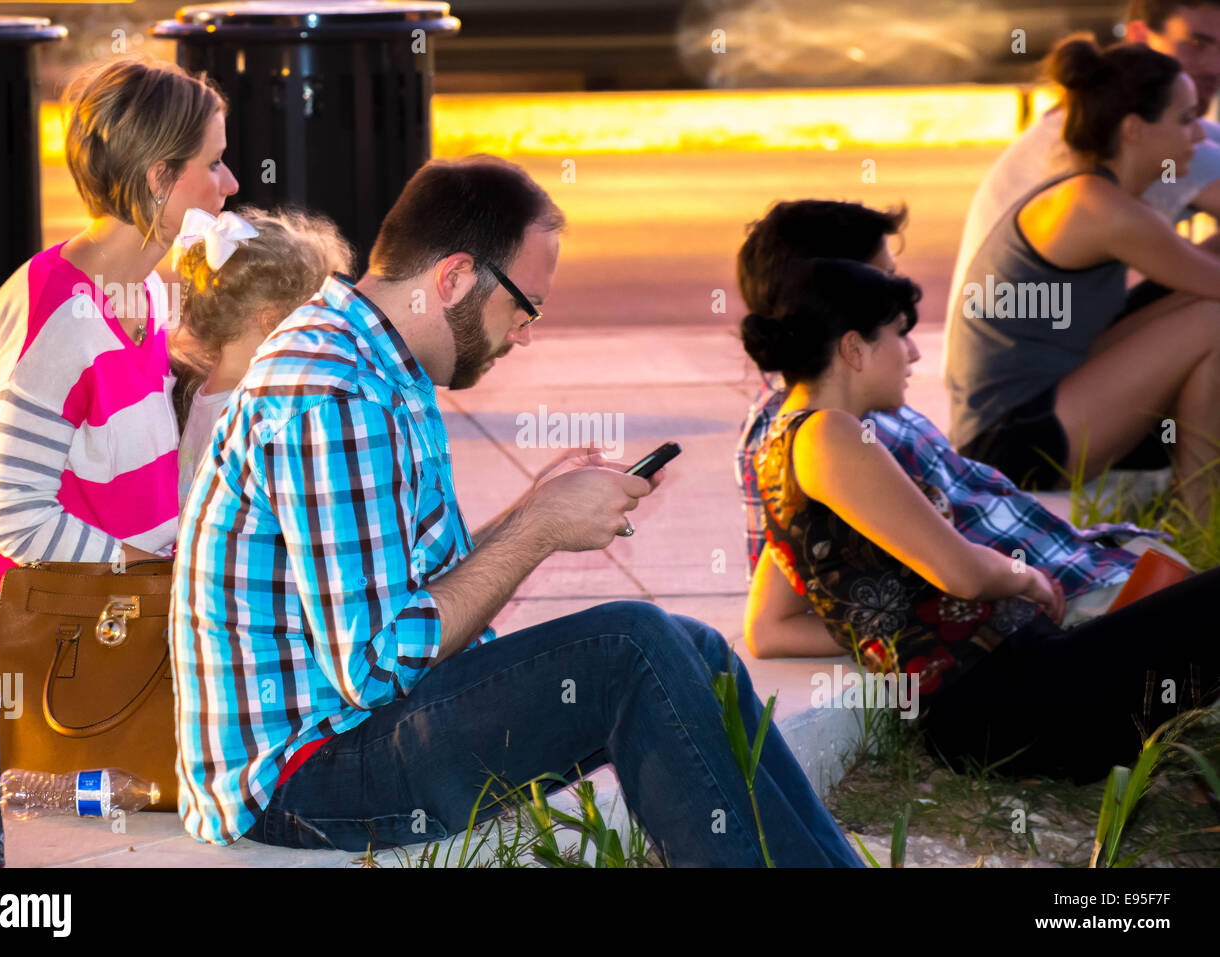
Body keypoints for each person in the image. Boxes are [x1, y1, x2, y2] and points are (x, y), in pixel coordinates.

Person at [170, 155, 862, 867]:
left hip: (352, 728)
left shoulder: (375, 358)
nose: (525, 332)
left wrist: (531, 505)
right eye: (524, 306)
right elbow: (374, 663)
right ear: (455, 278)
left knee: (698, 649)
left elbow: (409, 590)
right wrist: (538, 530)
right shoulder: (333, 392)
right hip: (300, 776)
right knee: (630, 644)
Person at [741, 256, 1220, 783]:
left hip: (1005, 695)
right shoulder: (829, 434)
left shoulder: (786, 447)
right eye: (900, 334)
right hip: (1011, 698)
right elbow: (962, 572)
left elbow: (774, 627)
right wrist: (1027, 577)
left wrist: (890, 631)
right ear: (854, 349)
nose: (915, 352)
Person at [735, 200, 1168, 637]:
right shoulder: (819, 431)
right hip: (1065, 606)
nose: (914, 348)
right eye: (884, 282)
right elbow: (782, 618)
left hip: (1081, 570)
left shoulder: (853, 408)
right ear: (834, 296)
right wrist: (1001, 602)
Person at [0, 55, 239, 671]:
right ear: (159, 178)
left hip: (117, 601)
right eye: (212, 163)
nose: (231, 182)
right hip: (54, 629)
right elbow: (15, 515)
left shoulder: (145, 288)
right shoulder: (60, 323)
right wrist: (155, 575)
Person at [947, 36, 1220, 515]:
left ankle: (1195, 505)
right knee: (1213, 320)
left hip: (1057, 394)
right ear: (1134, 129)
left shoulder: (1103, 194)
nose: (1199, 136)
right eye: (1184, 119)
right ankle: (1200, 516)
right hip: (1010, 441)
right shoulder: (1098, 208)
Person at [947, 0, 1220, 331]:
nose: (1215, 65)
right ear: (1139, 36)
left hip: (1047, 347)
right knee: (1209, 318)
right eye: (1195, 44)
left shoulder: (1113, 125)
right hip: (1037, 372)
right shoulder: (1145, 149)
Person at [167, 205, 353, 507]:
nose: (327, 336)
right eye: (316, 321)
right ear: (271, 321)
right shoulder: (258, 415)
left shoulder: (211, 395)